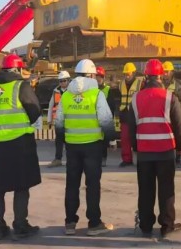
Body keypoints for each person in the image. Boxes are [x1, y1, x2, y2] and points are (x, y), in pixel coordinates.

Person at [0, 54, 41, 241]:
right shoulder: (21, 86)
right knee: (21, 186)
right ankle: (21, 225)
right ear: (18, 69)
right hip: (19, 144)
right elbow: (35, 110)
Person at [57, 59, 116, 236]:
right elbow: (105, 119)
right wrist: (111, 140)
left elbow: (59, 123)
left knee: (72, 184)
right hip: (92, 146)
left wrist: (63, 143)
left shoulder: (66, 95)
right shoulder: (96, 94)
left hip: (72, 147)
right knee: (92, 185)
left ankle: (70, 223)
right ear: (91, 75)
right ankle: (94, 224)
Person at [129, 59, 181, 238]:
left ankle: (146, 225)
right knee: (166, 189)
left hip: (144, 152)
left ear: (146, 77)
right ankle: (167, 225)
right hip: (165, 151)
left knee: (145, 190)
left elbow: (131, 127)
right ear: (161, 76)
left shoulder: (136, 98)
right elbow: (179, 124)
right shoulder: (169, 97)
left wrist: (135, 146)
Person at [162, 61, 181, 168]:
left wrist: (180, 113)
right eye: (163, 72)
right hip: (163, 114)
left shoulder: (178, 85)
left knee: (177, 135)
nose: (165, 74)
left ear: (172, 72)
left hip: (174, 114)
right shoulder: (159, 84)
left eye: (167, 71)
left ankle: (178, 158)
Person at [118, 62, 143, 167]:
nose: (127, 76)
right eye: (125, 74)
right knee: (125, 139)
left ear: (133, 73)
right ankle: (127, 159)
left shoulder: (140, 84)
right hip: (125, 114)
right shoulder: (121, 84)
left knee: (139, 137)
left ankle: (141, 159)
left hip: (137, 114)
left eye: (128, 73)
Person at [96, 66, 119, 166]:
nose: (98, 79)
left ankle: (103, 159)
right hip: (93, 119)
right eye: (97, 76)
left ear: (103, 78)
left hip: (103, 119)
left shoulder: (108, 90)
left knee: (103, 140)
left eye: (100, 77)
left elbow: (111, 107)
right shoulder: (91, 90)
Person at [48, 71, 71, 167]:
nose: (62, 83)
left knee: (70, 141)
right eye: (60, 81)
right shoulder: (56, 91)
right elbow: (51, 105)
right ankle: (58, 159)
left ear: (68, 80)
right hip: (59, 121)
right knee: (59, 141)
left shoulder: (72, 91)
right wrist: (49, 119)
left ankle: (71, 160)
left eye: (64, 80)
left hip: (69, 121)